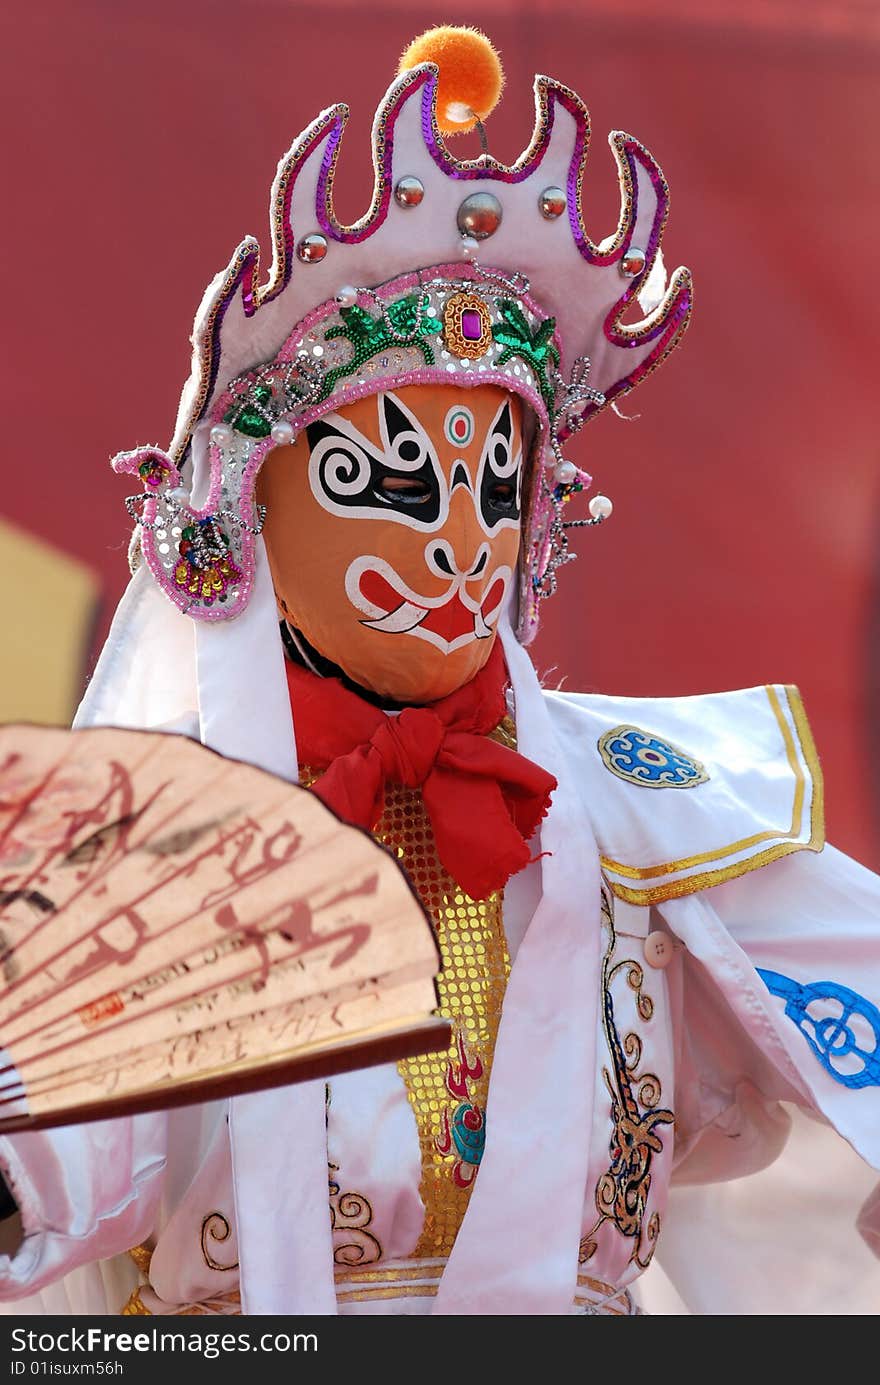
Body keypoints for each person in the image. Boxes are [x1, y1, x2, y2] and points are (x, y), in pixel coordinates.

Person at [1, 26, 878, 1317]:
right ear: (249, 513)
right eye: (390, 481)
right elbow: (63, 1130)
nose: (460, 539)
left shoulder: (655, 807)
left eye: (494, 482)